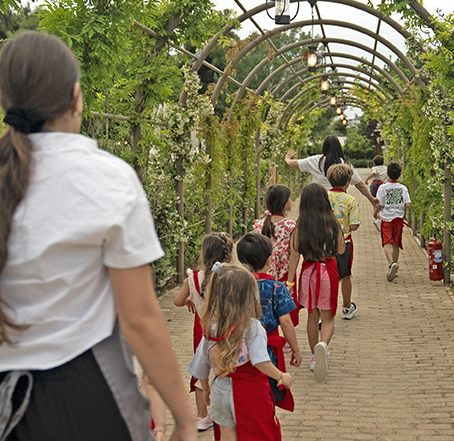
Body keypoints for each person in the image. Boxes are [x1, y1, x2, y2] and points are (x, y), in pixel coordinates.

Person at [0, 32, 196, 440]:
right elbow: (139, 318)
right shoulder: (107, 178)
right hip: (83, 395)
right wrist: (184, 417)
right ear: (75, 97)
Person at [188, 264, 292, 441]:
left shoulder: (211, 328)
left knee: (227, 435)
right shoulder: (252, 327)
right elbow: (260, 361)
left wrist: (206, 390)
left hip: (220, 388)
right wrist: (281, 376)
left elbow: (200, 365)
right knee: (257, 433)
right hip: (249, 390)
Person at [173, 232, 234, 432]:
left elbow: (177, 301)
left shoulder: (193, 279)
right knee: (224, 370)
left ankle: (201, 415)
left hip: (203, 331)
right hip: (225, 331)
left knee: (201, 373)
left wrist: (191, 299)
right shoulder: (227, 276)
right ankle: (225, 411)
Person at [236, 233, 302, 411]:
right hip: (268, 350)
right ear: (269, 260)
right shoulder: (277, 288)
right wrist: (295, 349)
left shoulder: (235, 287)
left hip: (239, 347)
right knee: (268, 391)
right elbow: (286, 322)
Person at [291, 183, 345, 380]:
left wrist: (290, 283)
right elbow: (340, 250)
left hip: (308, 274)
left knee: (312, 316)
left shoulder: (300, 225)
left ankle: (314, 356)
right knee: (328, 316)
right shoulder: (333, 223)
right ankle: (323, 345)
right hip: (327, 271)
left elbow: (294, 255)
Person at [252, 184, 301, 326]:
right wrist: (290, 282)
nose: (291, 201)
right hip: (286, 273)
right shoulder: (290, 226)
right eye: (290, 199)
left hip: (264, 271)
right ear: (284, 203)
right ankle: (286, 342)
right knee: (286, 308)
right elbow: (294, 254)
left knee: (266, 306)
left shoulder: (259, 225)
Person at [284, 135, 378, 206]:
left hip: (318, 199)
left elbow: (295, 163)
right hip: (339, 201)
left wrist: (287, 159)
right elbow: (360, 185)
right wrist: (371, 199)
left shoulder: (316, 160)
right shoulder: (344, 164)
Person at [327, 164, 360, 320]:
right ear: (348, 182)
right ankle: (346, 307)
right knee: (345, 275)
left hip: (325, 243)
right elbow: (354, 226)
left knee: (326, 275)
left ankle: (324, 309)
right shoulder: (350, 200)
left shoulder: (323, 197)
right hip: (344, 243)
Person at [374, 161, 411, 282]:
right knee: (396, 243)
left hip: (386, 219)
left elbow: (380, 204)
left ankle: (391, 264)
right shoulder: (403, 188)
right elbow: (407, 204)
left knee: (386, 243)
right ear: (400, 174)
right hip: (398, 220)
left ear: (387, 174)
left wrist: (375, 213)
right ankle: (395, 264)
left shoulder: (383, 187)